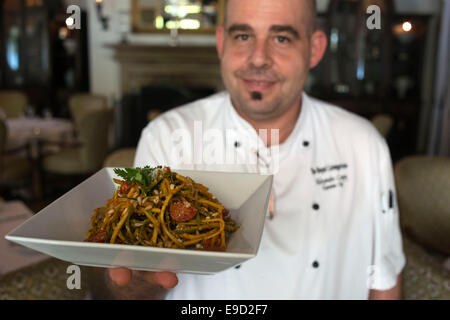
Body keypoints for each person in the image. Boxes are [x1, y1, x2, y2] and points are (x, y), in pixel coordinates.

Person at [98, 0, 405, 299]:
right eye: (243, 36)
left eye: (281, 38)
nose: (258, 59)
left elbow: (383, 279)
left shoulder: (363, 145)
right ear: (221, 43)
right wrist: (136, 277)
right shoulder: (167, 136)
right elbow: (132, 284)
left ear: (315, 49)